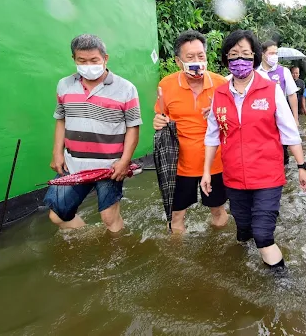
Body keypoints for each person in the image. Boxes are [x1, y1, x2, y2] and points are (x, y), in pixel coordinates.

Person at [201, 30, 306, 270]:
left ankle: (282, 286)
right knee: (243, 231)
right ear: (226, 59)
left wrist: (302, 167)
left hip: (267, 176)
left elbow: (289, 132)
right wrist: (206, 172)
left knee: (262, 234)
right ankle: (243, 270)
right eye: (233, 55)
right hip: (234, 177)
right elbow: (212, 136)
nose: (239, 60)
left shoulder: (270, 90)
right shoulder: (218, 94)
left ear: (254, 57)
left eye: (245, 54)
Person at [44, 34, 142, 233]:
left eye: (94, 60)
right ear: (74, 59)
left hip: (110, 167)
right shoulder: (64, 85)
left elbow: (133, 127)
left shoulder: (126, 89)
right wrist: (57, 153)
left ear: (105, 58)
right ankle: (90, 235)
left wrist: (124, 161)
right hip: (73, 164)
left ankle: (117, 253)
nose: (88, 65)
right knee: (57, 215)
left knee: (109, 218)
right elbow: (61, 119)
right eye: (82, 61)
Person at [153, 30, 229, 234]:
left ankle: (216, 255)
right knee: (176, 216)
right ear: (178, 61)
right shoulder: (166, 85)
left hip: (215, 162)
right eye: (190, 57)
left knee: (218, 211)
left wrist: (218, 113)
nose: (197, 61)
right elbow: (161, 116)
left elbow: (235, 124)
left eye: (201, 56)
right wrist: (159, 121)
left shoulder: (222, 84)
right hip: (180, 165)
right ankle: (178, 258)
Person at [258, 40, 300, 165]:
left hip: (280, 117)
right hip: (261, 118)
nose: (274, 56)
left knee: (282, 150)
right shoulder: (255, 71)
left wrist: (295, 119)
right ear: (263, 54)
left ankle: (284, 179)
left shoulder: (284, 72)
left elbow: (292, 95)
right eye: (271, 53)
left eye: (276, 53)